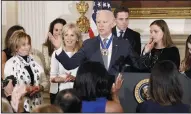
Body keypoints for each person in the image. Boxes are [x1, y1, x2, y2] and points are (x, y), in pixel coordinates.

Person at [49, 10, 147, 79]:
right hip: (94, 95)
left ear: (113, 23)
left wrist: (146, 52)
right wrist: (58, 48)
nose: (100, 25)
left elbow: (139, 65)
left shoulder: (123, 44)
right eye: (98, 22)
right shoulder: (88, 44)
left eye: (104, 22)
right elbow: (69, 64)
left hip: (116, 93)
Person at [4, 31, 48, 112]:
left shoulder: (36, 60)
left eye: (28, 44)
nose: (27, 47)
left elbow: (45, 82)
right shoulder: (10, 64)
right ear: (16, 47)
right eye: (23, 45)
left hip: (38, 105)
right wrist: (26, 90)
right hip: (21, 107)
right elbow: (8, 89)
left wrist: (39, 88)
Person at [49, 23, 83, 104]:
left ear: (77, 38)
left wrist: (74, 79)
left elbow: (86, 78)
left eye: (72, 35)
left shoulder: (82, 54)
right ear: (63, 37)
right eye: (66, 35)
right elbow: (52, 77)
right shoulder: (57, 53)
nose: (69, 38)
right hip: (60, 95)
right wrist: (62, 79)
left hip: (78, 94)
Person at [112, 7, 142, 72]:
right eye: (121, 19)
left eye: (126, 19)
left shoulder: (135, 36)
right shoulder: (108, 33)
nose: (124, 22)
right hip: (110, 72)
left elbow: (136, 59)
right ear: (115, 20)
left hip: (129, 72)